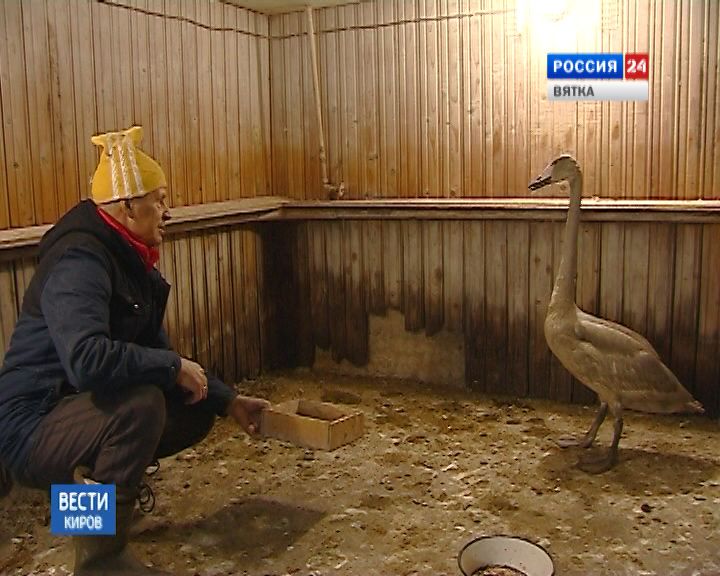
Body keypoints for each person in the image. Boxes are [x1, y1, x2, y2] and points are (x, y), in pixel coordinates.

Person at [0, 126, 270, 575]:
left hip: (68, 411)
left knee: (193, 404)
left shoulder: (127, 259)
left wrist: (227, 400)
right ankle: (99, 559)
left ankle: (94, 508)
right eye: (158, 201)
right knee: (140, 407)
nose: (167, 212)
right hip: (29, 424)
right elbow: (86, 360)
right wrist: (171, 366)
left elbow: (155, 351)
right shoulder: (79, 262)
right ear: (127, 207)